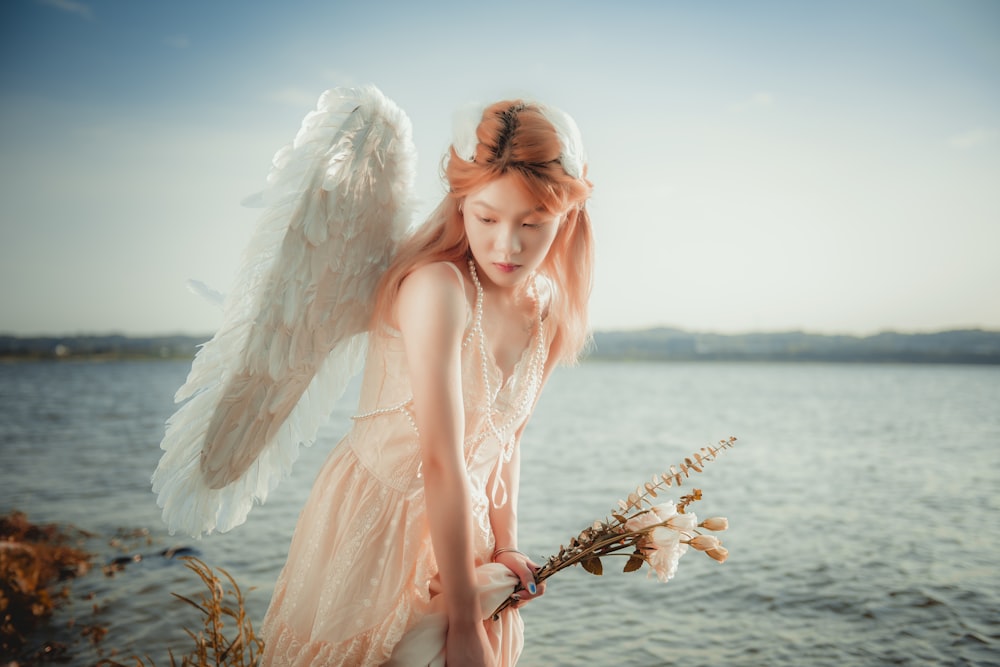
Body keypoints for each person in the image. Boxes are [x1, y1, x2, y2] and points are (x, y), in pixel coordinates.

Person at [154, 87, 593, 666]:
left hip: (467, 525)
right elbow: (441, 457)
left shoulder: (544, 305)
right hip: (380, 519)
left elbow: (506, 441)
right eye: (487, 217)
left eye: (533, 224)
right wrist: (462, 622)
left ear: (565, 216)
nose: (506, 245)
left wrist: (506, 545)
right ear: (461, 203)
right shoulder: (437, 289)